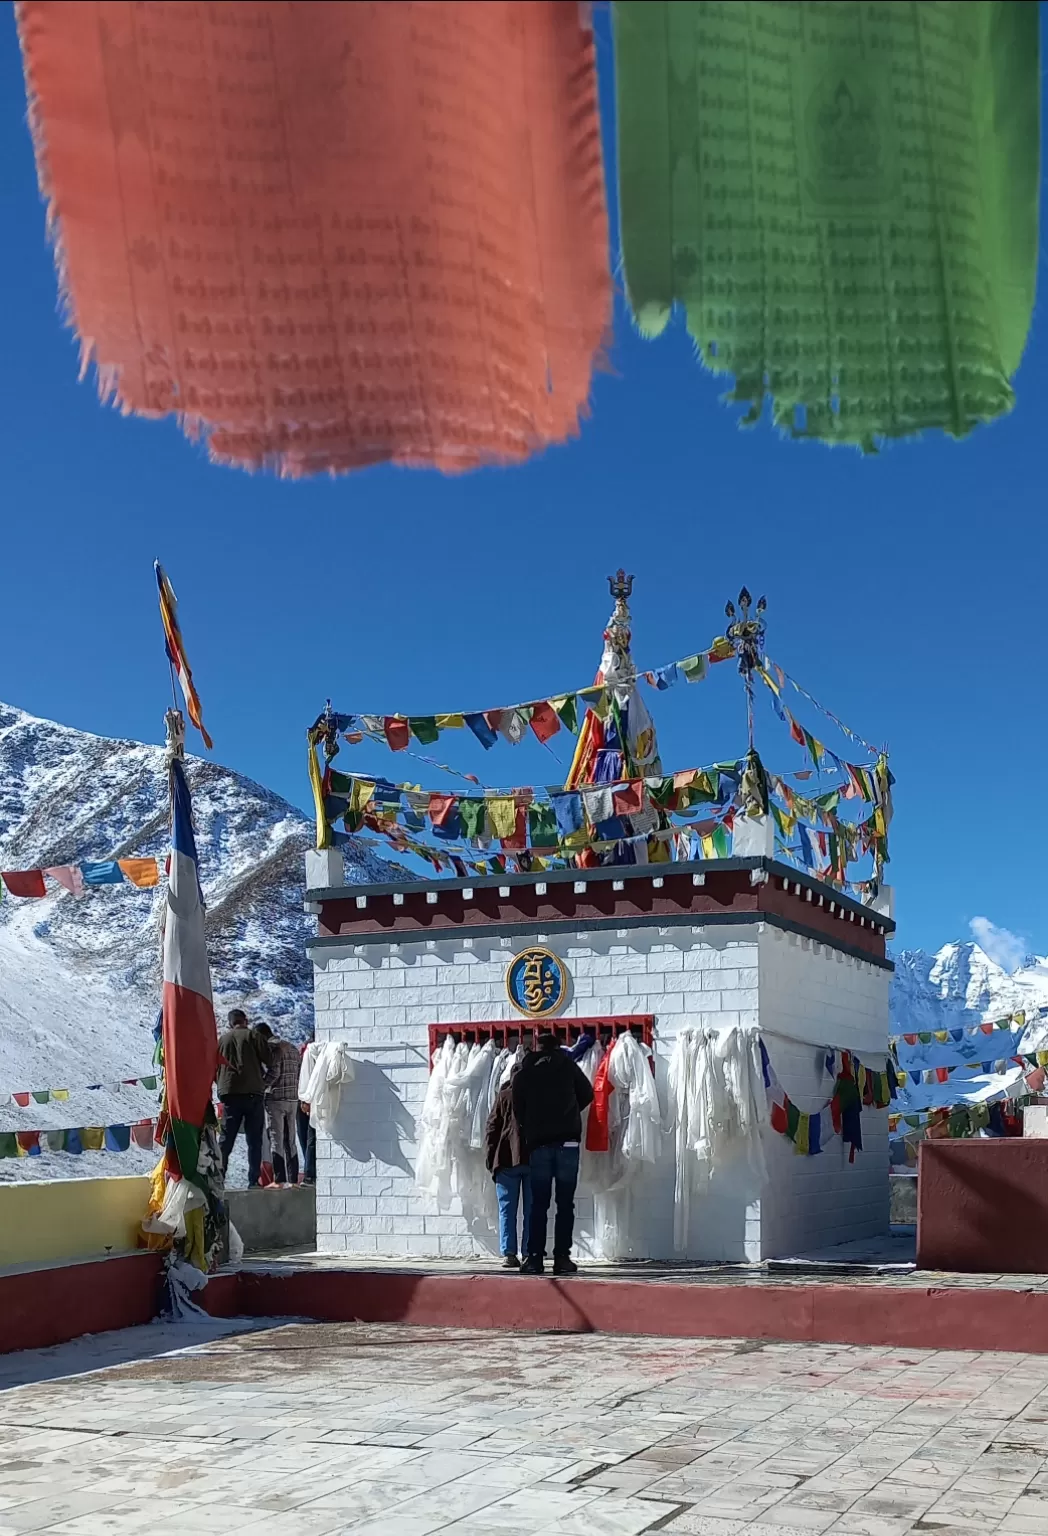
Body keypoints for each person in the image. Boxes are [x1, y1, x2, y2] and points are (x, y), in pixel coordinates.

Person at [511, 1032, 594, 1276]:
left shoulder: (524, 1073)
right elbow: (587, 1093)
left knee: (538, 1204)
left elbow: (517, 1109)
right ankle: (562, 1257)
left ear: (537, 1048)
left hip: (539, 1145)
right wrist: (568, 1115)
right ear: (558, 1047)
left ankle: (534, 1258)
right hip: (567, 1143)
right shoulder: (568, 1067)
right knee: (565, 1203)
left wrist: (532, 1127)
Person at [216, 1008, 271, 1188]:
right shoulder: (254, 1036)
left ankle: (219, 1178)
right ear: (245, 1020)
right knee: (254, 1139)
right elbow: (269, 1058)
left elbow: (214, 1066)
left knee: (226, 1139)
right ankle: (253, 1180)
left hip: (230, 1094)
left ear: (230, 1023)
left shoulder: (222, 1040)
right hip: (253, 1094)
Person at [484, 1065, 531, 1270]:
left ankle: (509, 1254)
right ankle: (530, 1253)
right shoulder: (536, 1097)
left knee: (506, 1209)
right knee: (532, 1210)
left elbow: (491, 1127)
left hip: (505, 1159)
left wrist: (489, 1157)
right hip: (532, 1160)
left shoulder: (503, 1096)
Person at [261, 1026, 303, 1186]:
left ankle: (279, 1179)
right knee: (290, 1141)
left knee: (276, 1139)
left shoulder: (273, 1048)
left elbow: (274, 1072)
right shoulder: (292, 1048)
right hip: (293, 1099)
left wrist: (261, 1087)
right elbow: (299, 1072)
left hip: (276, 1099)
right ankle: (293, 1180)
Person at [297, 1041, 317, 1184]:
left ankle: (309, 1171)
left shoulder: (303, 1053)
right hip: (307, 1101)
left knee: (306, 1137)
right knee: (310, 1138)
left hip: (302, 1100)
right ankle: (310, 1173)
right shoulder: (311, 1055)